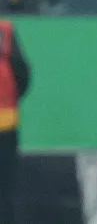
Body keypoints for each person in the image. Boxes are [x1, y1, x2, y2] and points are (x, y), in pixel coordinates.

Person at [0, 18, 29, 223]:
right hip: (6, 122)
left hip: (7, 122)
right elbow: (23, 73)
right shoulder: (5, 30)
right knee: (5, 189)